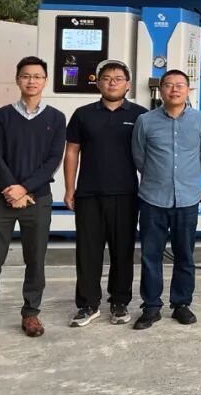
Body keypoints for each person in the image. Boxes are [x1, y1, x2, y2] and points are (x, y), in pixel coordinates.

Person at [0, 57, 66, 346]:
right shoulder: (2, 116)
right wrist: (11, 190)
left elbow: (53, 160)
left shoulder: (56, 118)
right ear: (17, 79)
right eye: (26, 76)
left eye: (37, 76)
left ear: (45, 81)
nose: (31, 81)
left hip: (38, 199)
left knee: (35, 259)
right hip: (1, 200)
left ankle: (31, 314)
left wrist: (24, 189)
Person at [63, 60, 148, 327]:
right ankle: (87, 304)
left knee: (123, 251)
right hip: (89, 194)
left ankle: (119, 302)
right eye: (107, 78)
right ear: (98, 83)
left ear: (128, 84)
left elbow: (150, 155)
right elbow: (72, 151)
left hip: (126, 194)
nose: (112, 82)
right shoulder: (83, 114)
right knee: (88, 252)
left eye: (118, 78)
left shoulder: (140, 115)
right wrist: (69, 188)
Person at [131, 68, 201, 330]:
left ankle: (181, 304)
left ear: (188, 90)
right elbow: (139, 156)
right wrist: (158, 178)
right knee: (150, 255)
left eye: (180, 85)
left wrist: (187, 178)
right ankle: (151, 306)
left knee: (185, 255)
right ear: (161, 90)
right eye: (169, 84)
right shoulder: (145, 121)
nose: (174, 89)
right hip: (153, 199)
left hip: (187, 199)